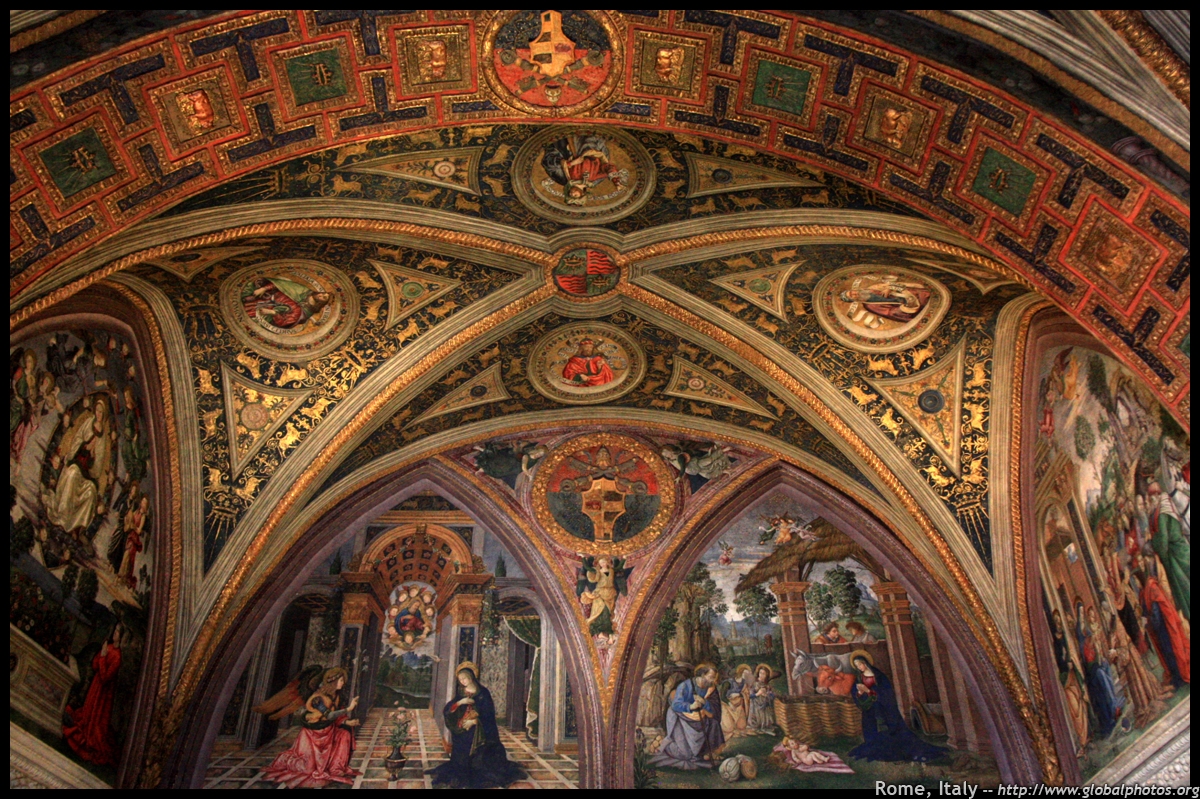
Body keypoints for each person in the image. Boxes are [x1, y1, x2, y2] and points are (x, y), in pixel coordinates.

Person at [429, 662, 525, 788]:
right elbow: (449, 709)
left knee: (480, 758)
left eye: (465, 678)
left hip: (480, 731)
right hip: (464, 730)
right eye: (460, 679)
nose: (463, 681)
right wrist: (460, 703)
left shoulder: (483, 693)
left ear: (471, 677)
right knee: (462, 752)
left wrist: (475, 721)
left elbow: (488, 715)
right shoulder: (461, 692)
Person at [261, 667, 360, 788]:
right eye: (341, 680)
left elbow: (336, 717)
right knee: (307, 768)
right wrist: (349, 709)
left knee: (345, 734)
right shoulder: (317, 698)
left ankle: (336, 767)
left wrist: (348, 722)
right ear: (333, 681)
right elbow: (329, 715)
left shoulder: (335, 696)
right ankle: (288, 762)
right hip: (312, 736)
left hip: (328, 732)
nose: (343, 683)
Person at [848, 650, 946, 762]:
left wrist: (869, 691)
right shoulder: (859, 678)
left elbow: (886, 692)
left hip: (883, 708)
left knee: (892, 731)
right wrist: (860, 693)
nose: (859, 667)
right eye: (856, 666)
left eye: (860, 664)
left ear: (865, 662)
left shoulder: (879, 676)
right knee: (871, 729)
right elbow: (855, 693)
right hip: (870, 710)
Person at [63, 626, 123, 765]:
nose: (114, 634)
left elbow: (105, 677)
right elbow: (95, 666)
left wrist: (103, 657)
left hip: (103, 695)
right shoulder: (108, 647)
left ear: (121, 636)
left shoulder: (118, 657)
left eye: (117, 632)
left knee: (96, 721)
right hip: (95, 688)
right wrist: (100, 656)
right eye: (115, 631)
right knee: (87, 713)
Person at [651, 663, 725, 770]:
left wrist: (704, 702)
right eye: (711, 677)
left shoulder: (711, 689)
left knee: (713, 723)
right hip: (682, 721)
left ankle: (706, 752)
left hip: (701, 722)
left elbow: (715, 710)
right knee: (686, 755)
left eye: (714, 678)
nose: (713, 680)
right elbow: (676, 705)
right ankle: (665, 746)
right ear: (702, 675)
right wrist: (691, 706)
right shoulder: (685, 686)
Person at [1137, 568, 1190, 689]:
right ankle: (1175, 676)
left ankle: (1179, 678)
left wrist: (1150, 622)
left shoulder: (1152, 588)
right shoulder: (1143, 592)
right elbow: (1145, 611)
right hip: (1158, 629)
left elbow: (1157, 611)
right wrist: (1145, 621)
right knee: (1166, 653)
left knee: (1171, 651)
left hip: (1164, 627)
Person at [1077, 602, 1123, 737]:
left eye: (1084, 613)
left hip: (1099, 663)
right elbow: (1086, 654)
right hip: (1093, 670)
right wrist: (1092, 643)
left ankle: (1115, 705)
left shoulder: (1089, 630)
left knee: (1107, 670)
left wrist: (1100, 654)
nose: (1083, 617)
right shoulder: (1081, 633)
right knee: (1102, 675)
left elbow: (1097, 646)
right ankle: (1113, 708)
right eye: (1081, 614)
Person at [1147, 481, 1190, 621]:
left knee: (1184, 589)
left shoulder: (1162, 514)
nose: (1150, 500)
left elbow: (1163, 541)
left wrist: (1153, 543)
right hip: (1184, 550)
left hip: (1176, 557)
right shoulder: (1168, 507)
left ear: (1156, 496)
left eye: (1151, 496)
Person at [242, 276, 331, 330]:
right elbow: (282, 284)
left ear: (322, 303)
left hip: (268, 311)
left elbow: (289, 320)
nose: (321, 295)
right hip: (266, 297)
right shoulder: (303, 290)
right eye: (323, 293)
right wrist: (264, 288)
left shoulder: (307, 312)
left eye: (324, 297)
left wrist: (273, 312)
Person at [720, 664, 752, 738]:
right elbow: (722, 697)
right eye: (745, 673)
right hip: (727, 705)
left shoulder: (744, 683)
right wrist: (730, 704)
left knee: (742, 726)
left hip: (738, 705)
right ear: (741, 672)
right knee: (729, 728)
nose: (747, 675)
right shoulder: (728, 683)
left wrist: (738, 694)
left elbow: (746, 694)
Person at [747, 663, 777, 735]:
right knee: (758, 715)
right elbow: (749, 696)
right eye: (760, 673)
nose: (761, 675)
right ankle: (758, 726)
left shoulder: (767, 685)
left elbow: (773, 696)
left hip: (765, 706)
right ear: (758, 673)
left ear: (766, 675)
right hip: (756, 706)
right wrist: (758, 694)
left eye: (764, 674)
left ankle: (766, 726)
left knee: (767, 711)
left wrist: (766, 695)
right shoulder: (754, 684)